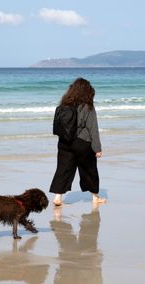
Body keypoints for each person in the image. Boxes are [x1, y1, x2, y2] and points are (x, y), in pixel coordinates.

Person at [50, 77, 106, 206]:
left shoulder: (64, 104)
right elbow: (93, 128)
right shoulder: (88, 106)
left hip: (64, 141)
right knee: (89, 169)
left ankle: (58, 197)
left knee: (63, 169)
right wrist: (97, 148)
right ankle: (95, 197)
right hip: (82, 142)